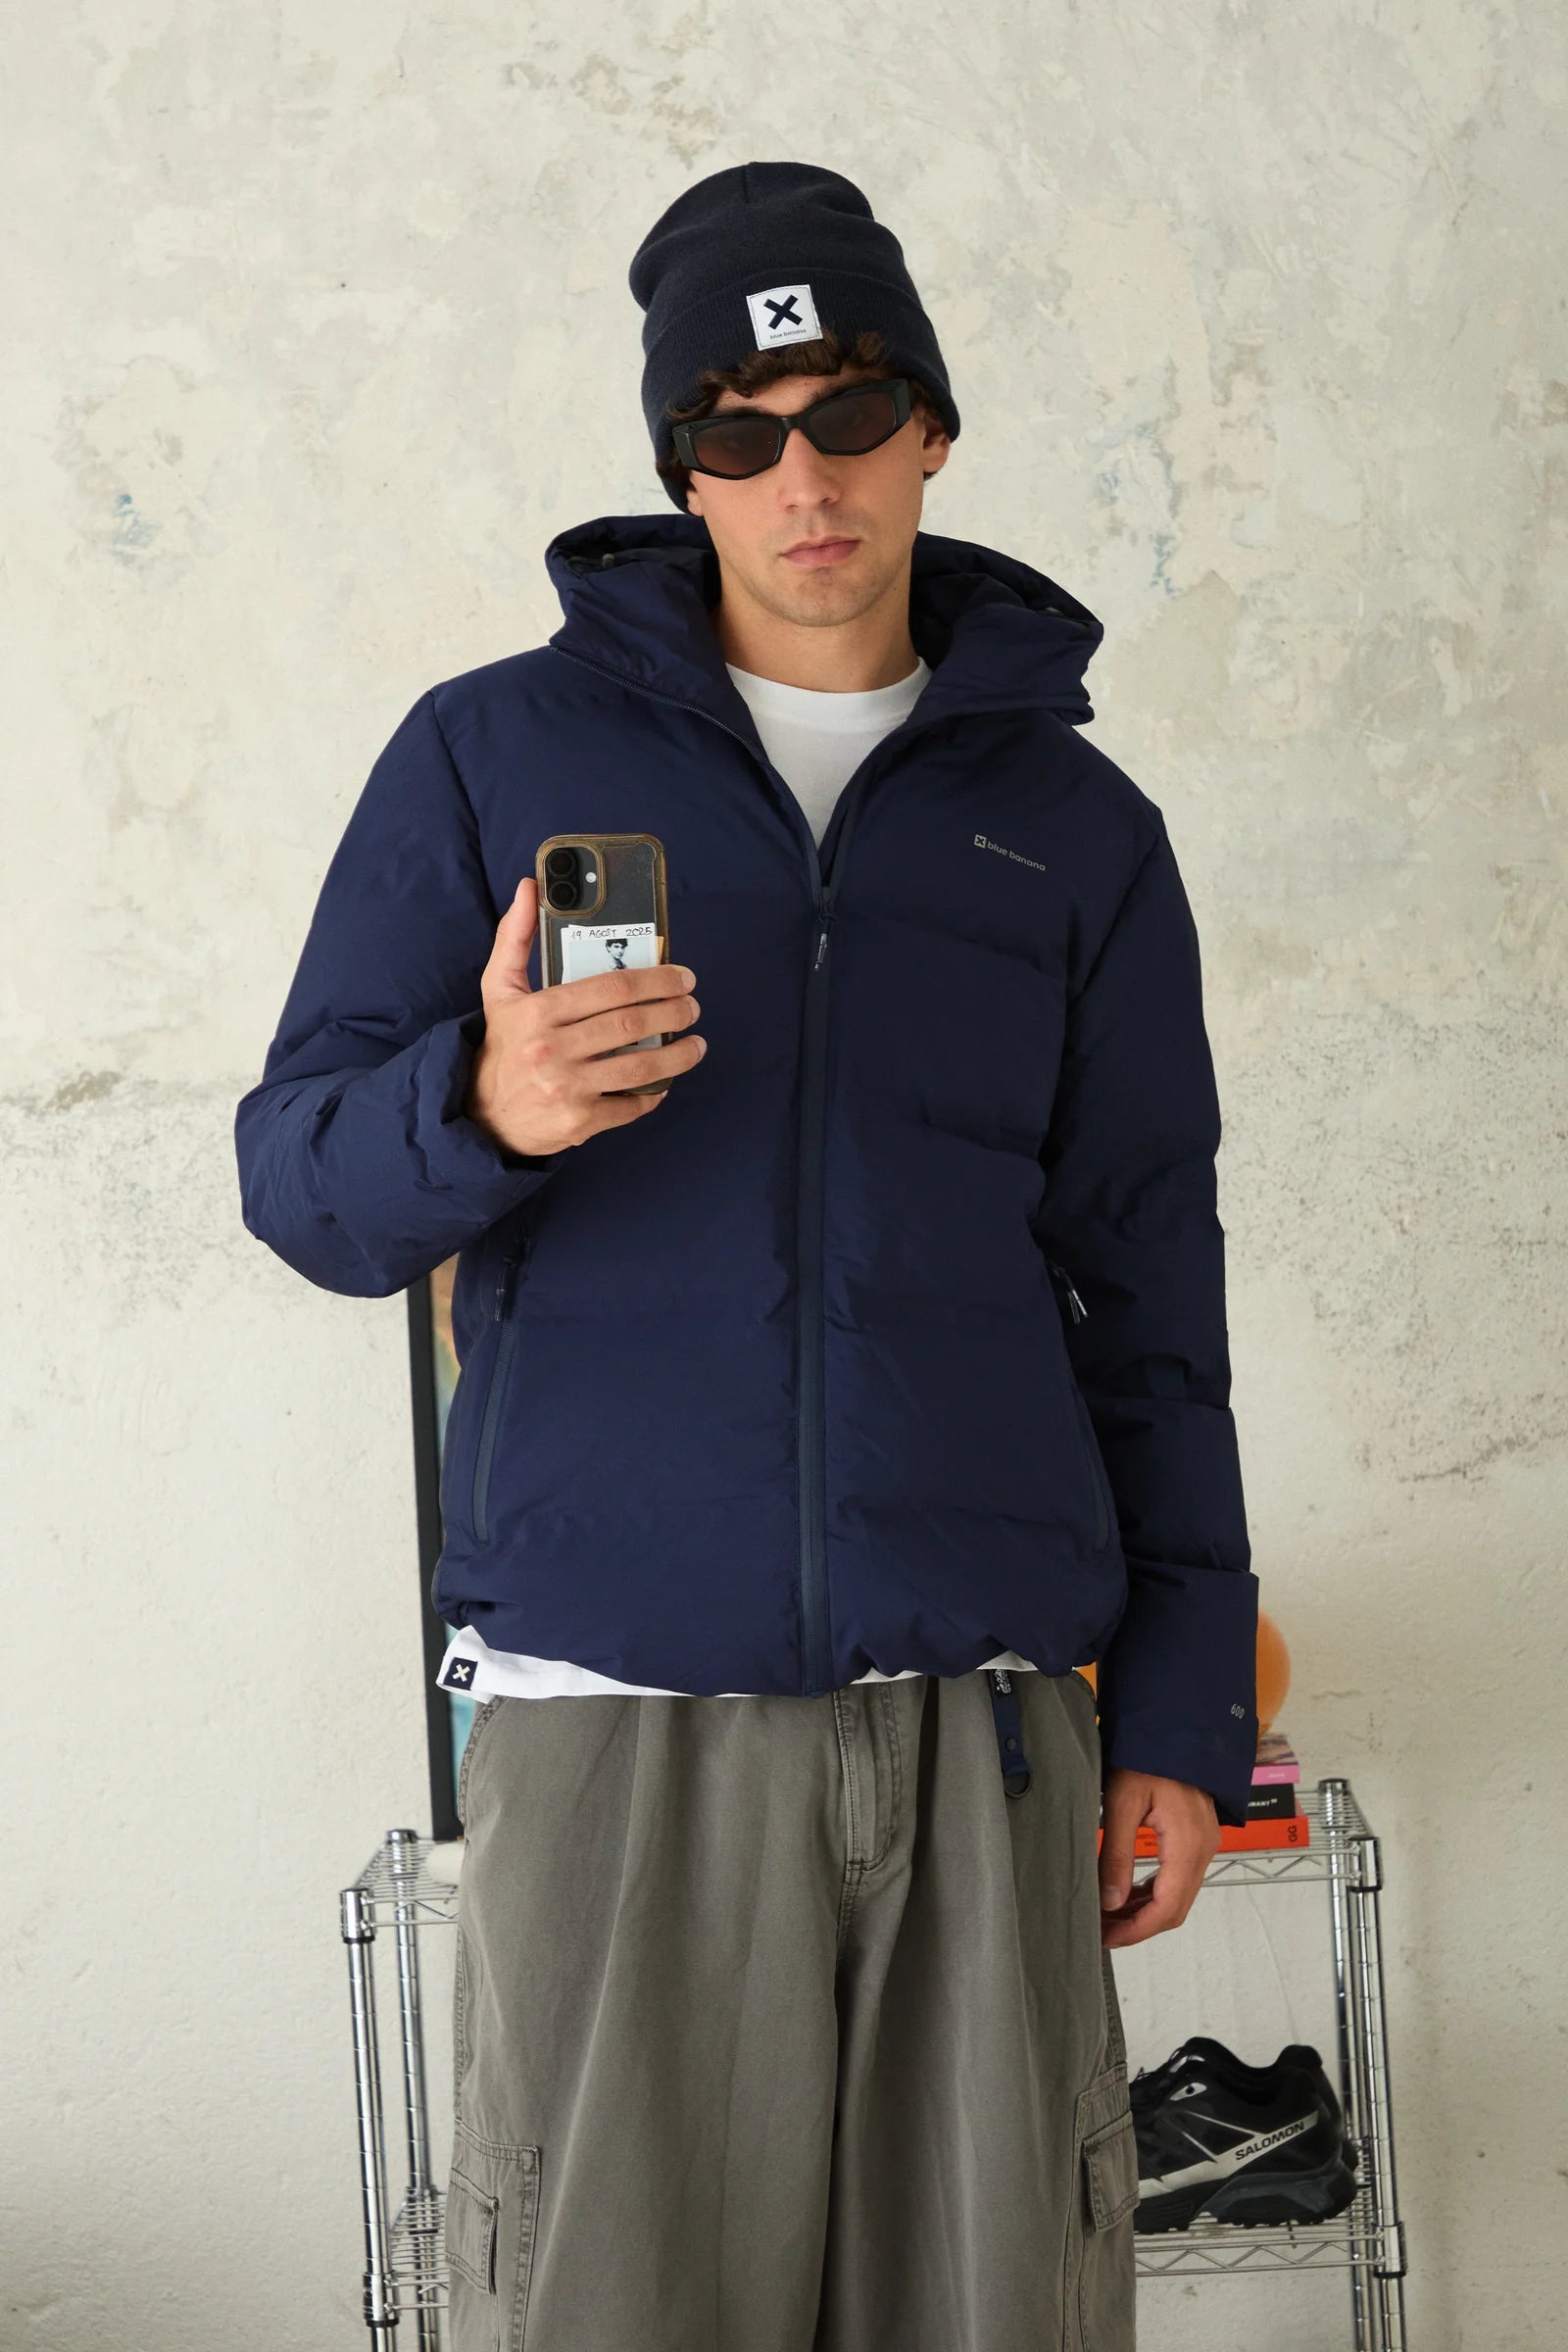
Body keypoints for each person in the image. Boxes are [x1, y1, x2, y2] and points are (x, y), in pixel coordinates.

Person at [234, 159, 1258, 2352]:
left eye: (851, 412)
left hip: (981, 1725)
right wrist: (480, 1104)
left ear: (930, 429)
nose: (803, 477)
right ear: (680, 467)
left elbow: (1151, 1299)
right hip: (620, 1723)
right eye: (736, 431)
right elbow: (298, 1189)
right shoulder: (490, 755)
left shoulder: (1073, 830)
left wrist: (1178, 1718)